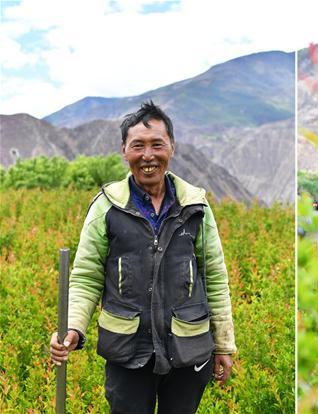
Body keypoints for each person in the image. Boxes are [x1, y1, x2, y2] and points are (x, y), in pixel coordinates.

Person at [49, 101, 236, 413]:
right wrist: (72, 328)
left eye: (157, 145)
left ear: (172, 148)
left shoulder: (196, 208)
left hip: (188, 350)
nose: (148, 156)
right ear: (124, 150)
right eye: (138, 145)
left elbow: (214, 277)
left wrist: (224, 344)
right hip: (127, 353)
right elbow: (85, 276)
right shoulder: (106, 208)